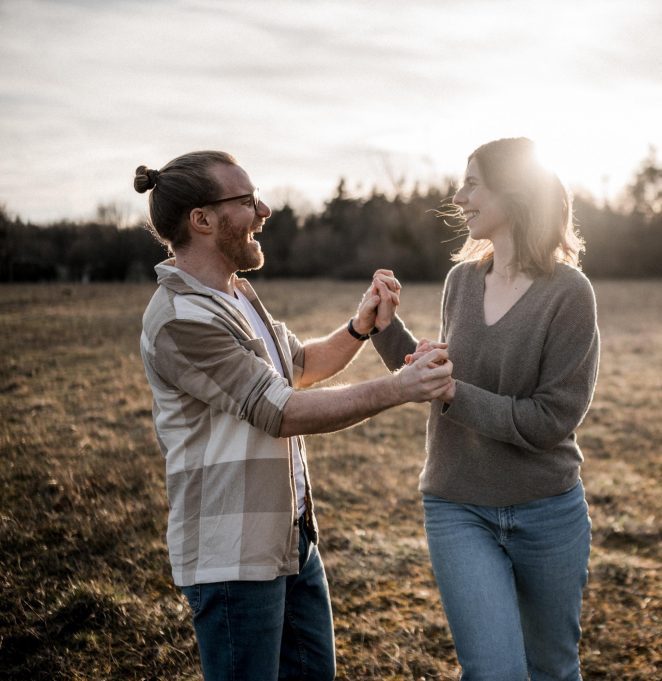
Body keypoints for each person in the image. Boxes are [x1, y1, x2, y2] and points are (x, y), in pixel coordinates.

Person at [134, 150, 453, 681]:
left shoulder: (235, 295)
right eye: (246, 199)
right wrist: (400, 388)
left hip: (291, 540)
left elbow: (297, 366)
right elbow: (277, 409)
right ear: (203, 219)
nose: (264, 209)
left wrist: (360, 326)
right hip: (234, 558)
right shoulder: (180, 317)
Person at [368, 137, 600, 680]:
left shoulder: (570, 293)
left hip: (548, 511)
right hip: (457, 506)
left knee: (552, 669)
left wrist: (454, 393)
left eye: (472, 183)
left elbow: (549, 421)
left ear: (512, 191)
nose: (458, 195)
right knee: (495, 672)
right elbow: (447, 376)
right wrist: (388, 331)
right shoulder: (460, 282)